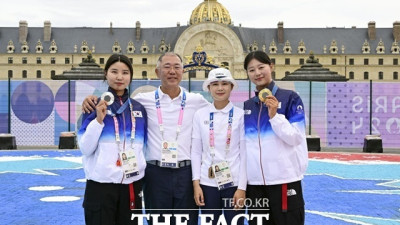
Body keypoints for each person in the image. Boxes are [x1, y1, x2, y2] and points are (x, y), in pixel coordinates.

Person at [81, 52, 210, 225]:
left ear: (182, 72)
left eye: (177, 67)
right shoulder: (141, 102)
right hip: (153, 175)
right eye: (167, 67)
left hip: (182, 175)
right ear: (157, 72)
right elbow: (86, 146)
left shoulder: (196, 101)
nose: (172, 71)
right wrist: (93, 108)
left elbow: (219, 111)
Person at [78, 54, 148, 225]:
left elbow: (143, 147)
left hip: (131, 185)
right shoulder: (93, 105)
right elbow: (85, 148)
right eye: (114, 71)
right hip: (101, 185)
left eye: (125, 72)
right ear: (105, 73)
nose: (119, 77)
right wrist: (98, 120)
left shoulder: (138, 109)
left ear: (131, 76)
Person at [243, 51, 308, 225]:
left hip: (284, 181)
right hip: (255, 185)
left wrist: (275, 117)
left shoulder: (291, 98)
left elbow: (296, 138)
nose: (257, 73)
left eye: (261, 67)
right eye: (251, 70)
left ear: (271, 66)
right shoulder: (247, 106)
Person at [191, 68, 246, 225]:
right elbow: (196, 152)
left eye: (224, 84)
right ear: (208, 88)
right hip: (207, 184)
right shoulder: (200, 115)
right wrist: (196, 184)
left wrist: (242, 188)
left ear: (231, 87)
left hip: (233, 183)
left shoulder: (240, 115)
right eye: (215, 84)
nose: (220, 88)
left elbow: (245, 154)